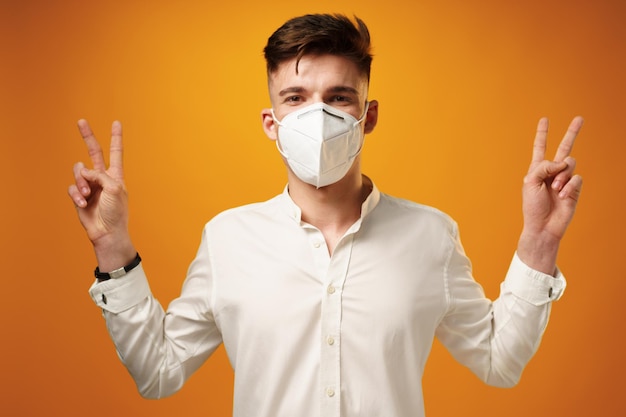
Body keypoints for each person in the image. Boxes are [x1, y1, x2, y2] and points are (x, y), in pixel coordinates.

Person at [68, 13, 583, 417]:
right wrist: (112, 247)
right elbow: (158, 373)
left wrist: (539, 242)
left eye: (338, 97)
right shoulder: (228, 239)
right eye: (296, 98)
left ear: (368, 115)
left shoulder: (431, 235)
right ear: (272, 122)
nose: (318, 116)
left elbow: (499, 361)